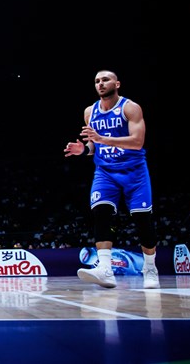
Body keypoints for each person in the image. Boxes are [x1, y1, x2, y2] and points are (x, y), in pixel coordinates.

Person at [64, 69, 159, 290]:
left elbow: (137, 142)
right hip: (105, 171)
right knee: (101, 213)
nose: (100, 83)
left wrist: (101, 138)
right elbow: (94, 146)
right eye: (97, 81)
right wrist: (83, 150)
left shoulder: (130, 108)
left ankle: (150, 268)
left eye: (105, 79)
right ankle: (105, 270)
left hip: (134, 171)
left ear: (117, 84)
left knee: (143, 221)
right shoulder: (90, 112)